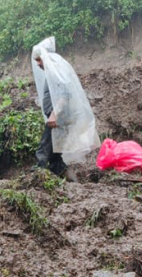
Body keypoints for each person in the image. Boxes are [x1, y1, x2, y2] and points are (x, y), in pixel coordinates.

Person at [31, 37, 100, 181]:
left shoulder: (55, 68)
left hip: (58, 118)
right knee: (55, 158)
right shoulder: (55, 67)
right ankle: (74, 184)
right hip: (61, 117)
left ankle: (37, 182)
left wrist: (54, 114)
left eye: (39, 60)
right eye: (36, 60)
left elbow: (64, 92)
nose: (37, 64)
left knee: (43, 152)